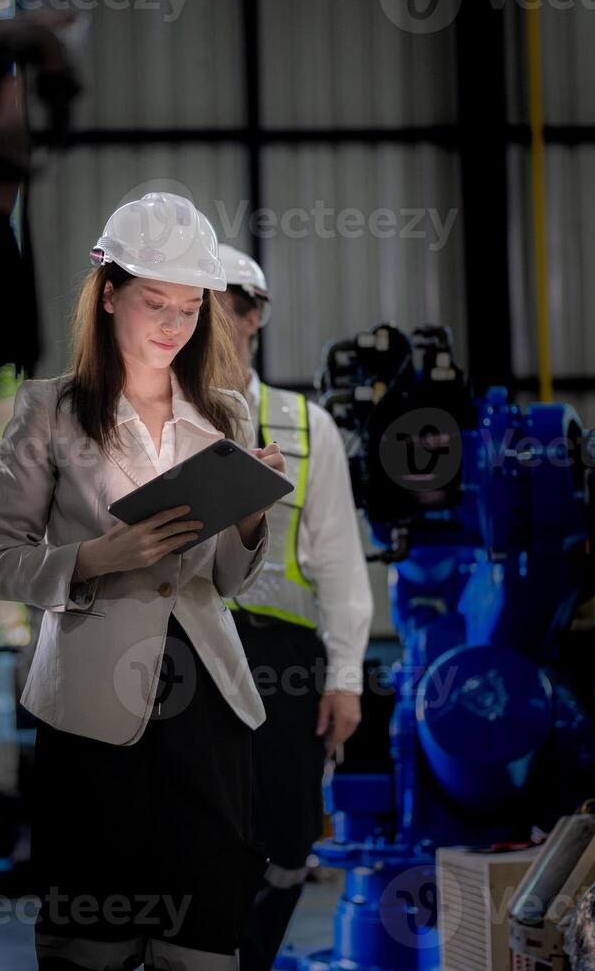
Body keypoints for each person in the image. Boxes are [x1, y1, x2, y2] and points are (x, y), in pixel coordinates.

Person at [0, 192, 286, 971]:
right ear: (108, 290)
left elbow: (227, 580)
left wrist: (252, 517)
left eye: (190, 306)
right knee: (92, 940)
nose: (173, 324)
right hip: (91, 713)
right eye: (156, 301)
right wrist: (93, 559)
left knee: (203, 941)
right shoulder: (48, 410)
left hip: (207, 708)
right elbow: (1, 561)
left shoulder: (225, 414)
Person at [214, 244, 373, 971]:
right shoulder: (148, 421)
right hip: (181, 650)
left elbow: (340, 563)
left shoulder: (307, 428)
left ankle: (246, 957)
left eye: (216, 306)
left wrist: (345, 677)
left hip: (281, 660)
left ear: (252, 315)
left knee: (287, 836)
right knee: (198, 833)